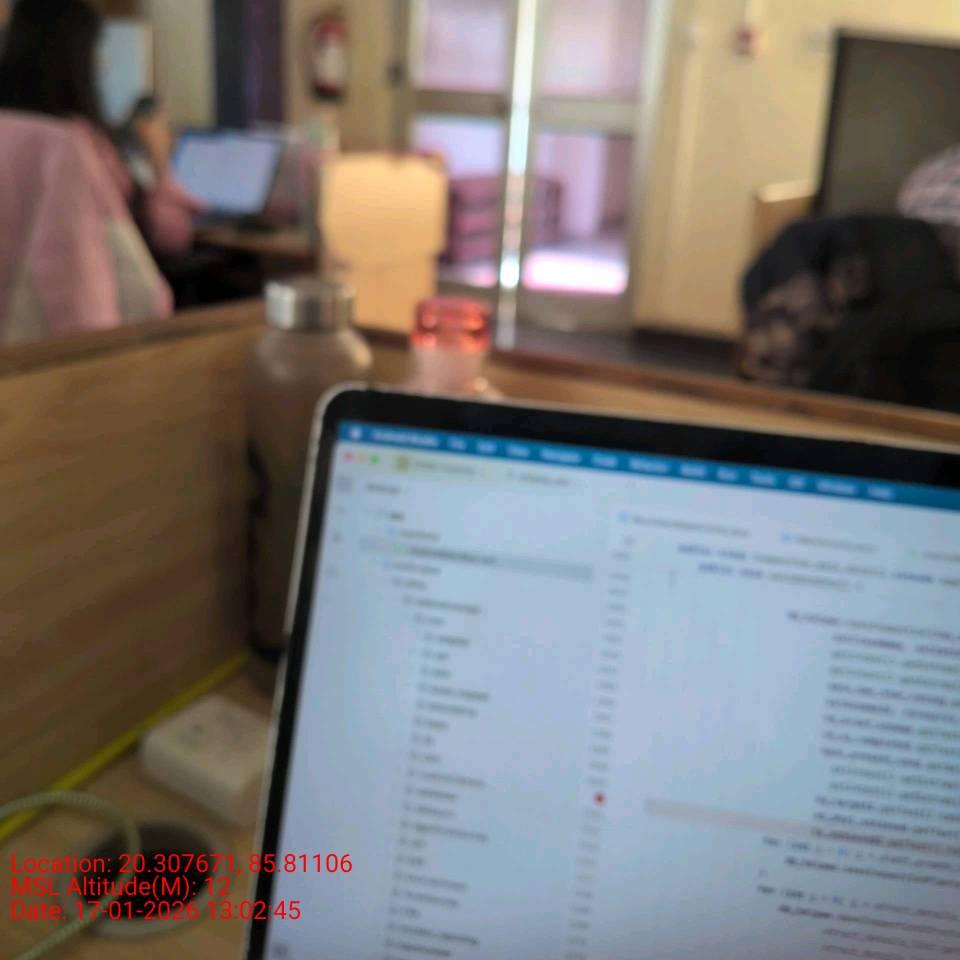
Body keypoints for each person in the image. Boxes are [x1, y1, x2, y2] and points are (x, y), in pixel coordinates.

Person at [0, 0, 202, 257]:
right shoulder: (75, 142)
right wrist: (160, 158)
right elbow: (171, 235)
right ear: (72, 56)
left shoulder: (10, 130)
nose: (102, 63)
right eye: (95, 49)